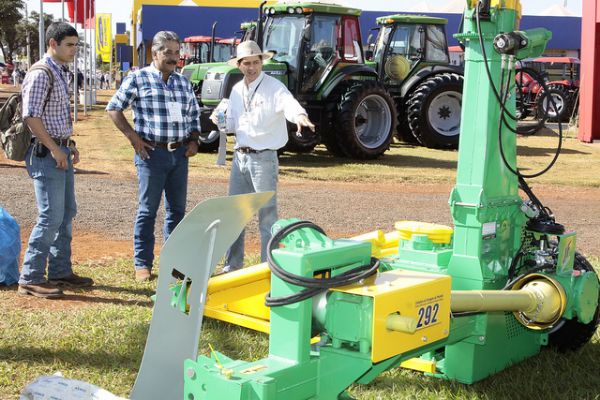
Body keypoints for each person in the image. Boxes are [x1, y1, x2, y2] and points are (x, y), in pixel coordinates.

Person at [106, 31, 202, 282]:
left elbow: (193, 114)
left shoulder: (183, 82)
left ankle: (174, 263)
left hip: (179, 155)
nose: (173, 57)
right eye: (168, 52)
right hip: (151, 155)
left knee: (177, 212)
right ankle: (142, 264)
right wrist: (133, 138)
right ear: (155, 53)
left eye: (176, 52)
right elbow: (114, 108)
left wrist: (193, 140)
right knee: (148, 210)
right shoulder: (138, 79)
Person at [215, 40, 315, 273]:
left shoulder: (274, 87)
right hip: (240, 158)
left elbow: (289, 104)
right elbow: (233, 124)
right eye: (247, 63)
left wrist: (300, 116)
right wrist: (220, 121)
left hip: (264, 159)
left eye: (255, 62)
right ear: (239, 65)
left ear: (262, 62)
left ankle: (266, 268)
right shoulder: (236, 90)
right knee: (235, 213)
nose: (252, 67)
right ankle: (233, 265)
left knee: (267, 216)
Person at [18, 22, 94, 299]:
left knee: (66, 213)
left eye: (76, 44)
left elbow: (54, 117)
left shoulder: (60, 71)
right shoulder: (41, 73)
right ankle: (30, 277)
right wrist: (54, 148)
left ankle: (60, 270)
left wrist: (67, 145)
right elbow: (31, 117)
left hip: (58, 151)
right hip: (45, 153)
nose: (74, 50)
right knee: (50, 216)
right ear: (53, 43)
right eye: (70, 45)